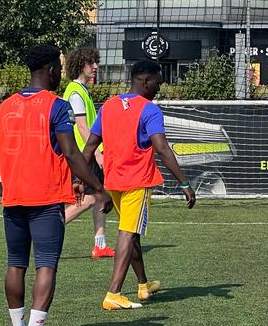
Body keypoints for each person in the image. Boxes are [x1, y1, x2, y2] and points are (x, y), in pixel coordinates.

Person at [0, 44, 112, 326]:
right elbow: (70, 153)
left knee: (15, 263)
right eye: (58, 67)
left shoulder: (5, 106)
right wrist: (98, 187)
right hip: (45, 199)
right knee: (46, 265)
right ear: (50, 70)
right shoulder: (56, 106)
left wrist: (17, 168)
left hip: (13, 197)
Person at [82, 60, 196, 310]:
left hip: (113, 181)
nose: (159, 87)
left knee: (130, 232)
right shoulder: (149, 110)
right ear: (145, 81)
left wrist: (79, 179)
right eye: (158, 82)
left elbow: (90, 146)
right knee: (128, 233)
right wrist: (184, 183)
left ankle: (143, 285)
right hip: (137, 181)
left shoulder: (109, 105)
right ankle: (114, 293)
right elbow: (162, 148)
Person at [62, 47, 113, 258]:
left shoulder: (81, 90)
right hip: (84, 155)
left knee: (101, 197)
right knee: (91, 198)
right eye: (91, 63)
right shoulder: (75, 92)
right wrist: (98, 154)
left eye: (96, 62)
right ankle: (44, 233)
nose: (95, 67)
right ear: (79, 65)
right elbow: (82, 127)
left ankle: (100, 245)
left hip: (87, 153)